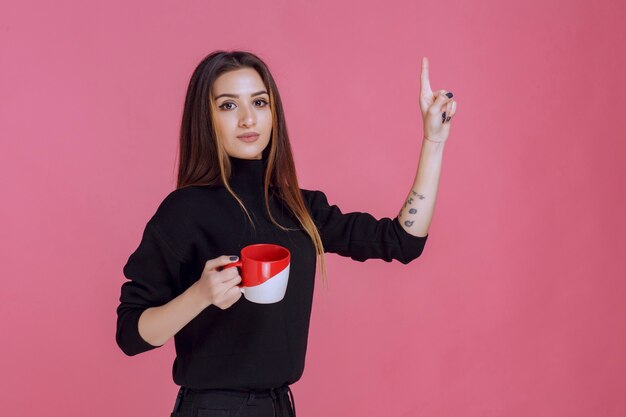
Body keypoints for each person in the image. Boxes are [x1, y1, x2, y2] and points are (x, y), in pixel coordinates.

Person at [115, 50, 456, 417]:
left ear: (273, 112)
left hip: (281, 406)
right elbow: (130, 334)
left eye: (259, 102)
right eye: (228, 106)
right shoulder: (184, 211)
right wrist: (199, 295)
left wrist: (433, 142)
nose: (248, 118)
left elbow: (401, 241)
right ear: (206, 118)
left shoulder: (300, 208)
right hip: (213, 408)